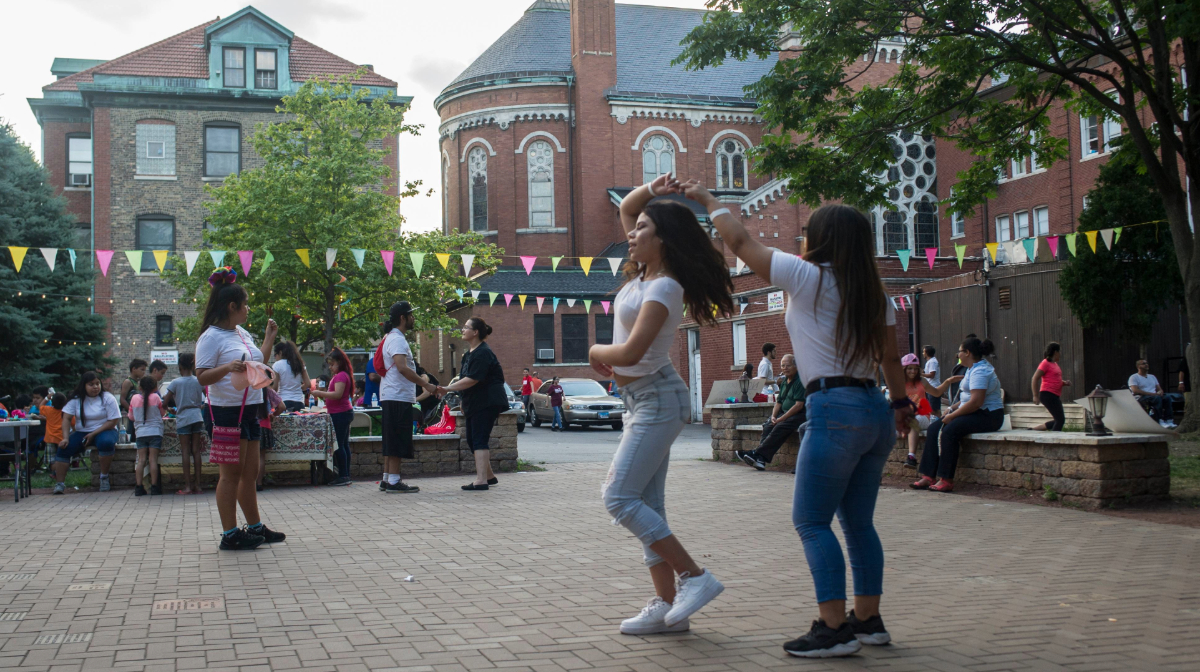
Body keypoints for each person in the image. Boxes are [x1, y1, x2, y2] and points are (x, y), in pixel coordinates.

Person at [692, 176, 909, 657]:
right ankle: (869, 621)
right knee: (859, 524)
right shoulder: (877, 294)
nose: (801, 236)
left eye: (808, 230)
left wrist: (710, 202)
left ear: (822, 239)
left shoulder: (807, 276)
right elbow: (892, 361)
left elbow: (741, 242)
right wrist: (902, 407)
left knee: (811, 520)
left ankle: (833, 629)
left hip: (834, 408)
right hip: (875, 406)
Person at [587, 175, 734, 637]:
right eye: (634, 228)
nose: (631, 233)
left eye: (642, 229)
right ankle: (668, 609)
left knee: (619, 497)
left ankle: (696, 577)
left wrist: (594, 354)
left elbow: (629, 353)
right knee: (648, 504)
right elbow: (628, 207)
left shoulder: (665, 286)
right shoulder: (642, 274)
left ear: (664, 239)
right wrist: (654, 187)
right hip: (639, 399)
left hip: (657, 399)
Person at [194, 266, 286, 550]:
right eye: (245, 304)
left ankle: (255, 526)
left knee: (248, 474)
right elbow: (201, 377)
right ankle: (230, 534)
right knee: (230, 475)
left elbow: (258, 362)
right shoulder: (210, 337)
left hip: (250, 408)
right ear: (231, 306)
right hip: (225, 411)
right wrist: (226, 367)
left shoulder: (240, 332)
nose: (248, 309)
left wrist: (269, 337)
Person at [912, 337, 1004, 493]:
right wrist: (952, 409)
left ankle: (946, 480)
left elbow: (976, 402)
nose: (958, 354)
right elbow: (966, 399)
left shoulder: (981, 371)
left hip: (989, 416)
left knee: (949, 431)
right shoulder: (971, 369)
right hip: (975, 412)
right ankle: (928, 476)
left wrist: (953, 416)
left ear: (967, 353)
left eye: (960, 351)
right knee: (934, 428)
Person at [438, 317, 508, 490]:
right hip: (475, 401)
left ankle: (481, 481)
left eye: (466, 327)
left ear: (475, 332)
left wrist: (446, 388)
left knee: (479, 439)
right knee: (472, 440)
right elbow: (464, 379)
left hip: (487, 401)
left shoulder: (483, 352)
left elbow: (473, 379)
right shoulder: (469, 354)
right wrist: (462, 399)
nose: (462, 330)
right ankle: (489, 477)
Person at [379, 301, 436, 493]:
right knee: (397, 438)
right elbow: (402, 367)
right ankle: (394, 481)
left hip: (392, 395)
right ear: (402, 318)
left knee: (391, 437)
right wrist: (425, 384)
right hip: (398, 396)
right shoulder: (397, 339)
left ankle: (387, 479)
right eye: (411, 315)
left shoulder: (390, 337)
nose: (413, 318)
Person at [53, 371, 122, 495]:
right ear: (83, 386)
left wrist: (93, 434)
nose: (95, 387)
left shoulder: (108, 397)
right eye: (91, 384)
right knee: (64, 448)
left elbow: (113, 421)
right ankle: (60, 484)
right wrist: (65, 438)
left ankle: (104, 477)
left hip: (105, 430)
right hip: (82, 432)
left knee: (106, 443)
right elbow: (66, 418)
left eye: (97, 383)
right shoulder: (76, 399)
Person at [737, 354, 806, 471]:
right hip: (784, 413)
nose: (785, 368)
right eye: (782, 366)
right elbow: (778, 402)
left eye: (788, 365)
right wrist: (774, 416)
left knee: (781, 426)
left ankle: (757, 454)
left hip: (800, 415)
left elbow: (798, 406)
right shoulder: (784, 382)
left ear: (796, 366)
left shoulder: (800, 381)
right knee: (768, 424)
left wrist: (780, 419)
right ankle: (760, 460)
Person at [899, 354, 960, 467]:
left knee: (913, 421)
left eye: (915, 368)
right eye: (910, 368)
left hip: (923, 416)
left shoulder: (922, 381)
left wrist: (948, 381)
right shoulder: (898, 383)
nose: (913, 371)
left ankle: (911, 456)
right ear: (904, 369)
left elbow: (936, 393)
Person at [311, 347, 356, 486]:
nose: (330, 367)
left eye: (332, 364)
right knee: (344, 445)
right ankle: (345, 473)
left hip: (340, 413)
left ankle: (343, 474)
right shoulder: (340, 375)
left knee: (340, 445)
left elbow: (337, 394)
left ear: (340, 362)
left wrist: (320, 393)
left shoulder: (341, 376)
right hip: (340, 412)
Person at [164, 353, 205, 495]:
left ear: (180, 366)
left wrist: (171, 409)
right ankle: (198, 485)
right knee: (196, 451)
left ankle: (187, 486)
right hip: (197, 416)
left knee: (185, 451)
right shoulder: (199, 381)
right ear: (194, 365)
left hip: (183, 417)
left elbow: (164, 402)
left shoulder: (175, 383)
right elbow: (209, 396)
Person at [128, 375, 165, 496]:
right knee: (153, 459)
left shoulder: (133, 398)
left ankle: (139, 487)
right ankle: (155, 487)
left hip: (140, 433)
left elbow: (131, 417)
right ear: (154, 387)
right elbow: (162, 413)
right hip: (155, 432)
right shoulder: (156, 397)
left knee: (141, 460)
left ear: (140, 387)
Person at [1031, 342, 1071, 431]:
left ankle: (1034, 430)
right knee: (1060, 420)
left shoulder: (1055, 364)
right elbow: (1034, 378)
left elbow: (1055, 380)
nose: (1060, 354)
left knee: (1058, 420)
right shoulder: (1045, 363)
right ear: (1055, 352)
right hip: (1047, 394)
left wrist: (1064, 383)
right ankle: (1054, 441)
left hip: (1054, 395)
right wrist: (1035, 395)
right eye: (1059, 352)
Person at [1129, 359, 1177, 427]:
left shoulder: (1152, 376)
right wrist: (1153, 394)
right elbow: (1135, 390)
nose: (1146, 365)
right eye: (1143, 363)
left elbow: (1159, 389)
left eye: (1147, 363)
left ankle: (1169, 420)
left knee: (1167, 397)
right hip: (1142, 397)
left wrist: (1160, 392)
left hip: (1154, 396)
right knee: (1157, 398)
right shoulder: (1134, 377)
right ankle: (1159, 420)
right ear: (1138, 366)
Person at [256, 385, 286, 491]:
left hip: (250, 426)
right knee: (261, 457)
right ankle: (259, 483)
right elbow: (282, 406)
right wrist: (273, 415)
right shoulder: (268, 391)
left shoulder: (248, 388)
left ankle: (248, 482)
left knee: (249, 457)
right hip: (264, 425)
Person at [272, 341, 310, 412]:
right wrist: (297, 388)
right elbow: (308, 384)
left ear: (280, 353)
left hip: (284, 402)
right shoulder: (299, 364)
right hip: (299, 402)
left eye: (275, 355)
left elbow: (275, 387)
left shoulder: (277, 365)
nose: (275, 357)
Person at [119, 358, 148, 440]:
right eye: (142, 369)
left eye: (144, 370)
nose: (143, 372)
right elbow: (122, 399)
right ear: (134, 369)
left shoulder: (137, 382)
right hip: (132, 414)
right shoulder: (128, 382)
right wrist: (131, 411)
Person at [921, 346, 942, 414]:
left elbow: (931, 375)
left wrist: (920, 374)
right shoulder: (930, 361)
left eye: (924, 352)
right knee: (931, 408)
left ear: (927, 353)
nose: (922, 353)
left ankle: (939, 422)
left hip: (934, 387)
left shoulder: (932, 362)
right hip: (929, 388)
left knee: (934, 409)